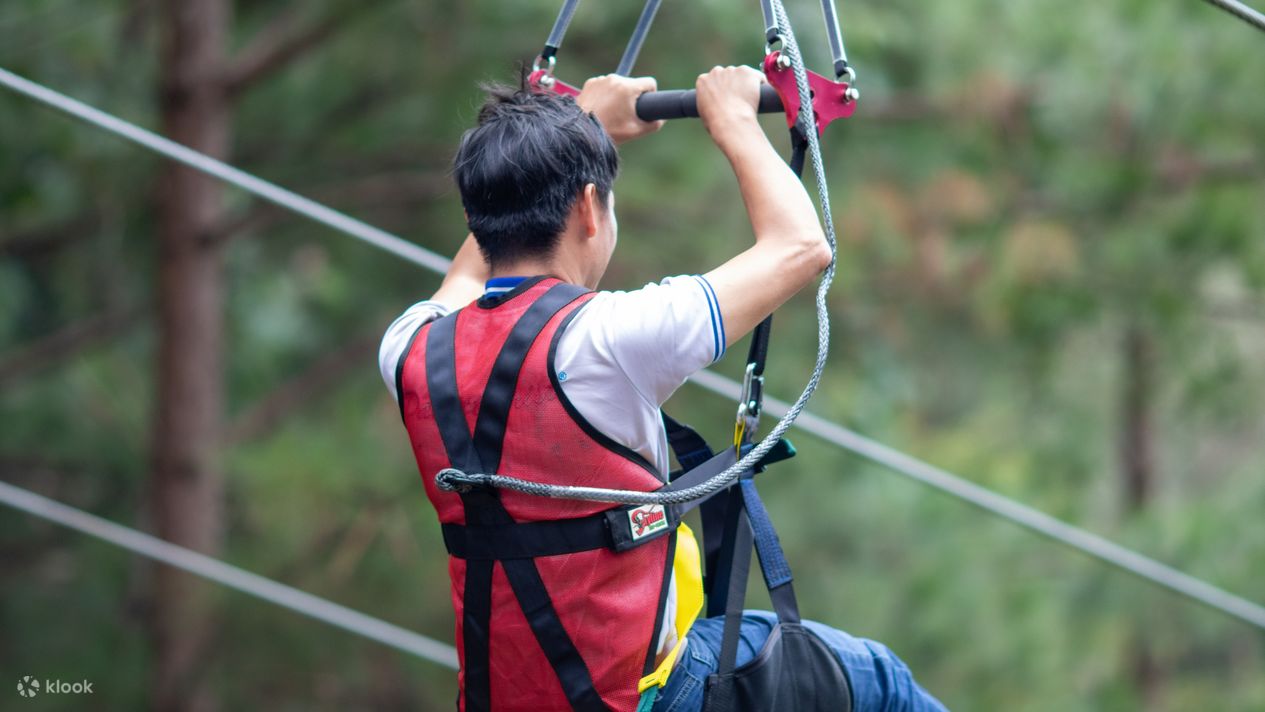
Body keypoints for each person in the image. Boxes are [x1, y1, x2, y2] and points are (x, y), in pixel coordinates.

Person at [379, 68, 946, 711]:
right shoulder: (608, 340)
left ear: (473, 216)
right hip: (646, 698)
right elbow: (801, 246)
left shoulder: (410, 351)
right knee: (879, 681)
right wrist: (730, 115)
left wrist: (585, 128)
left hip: (503, 699)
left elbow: (464, 275)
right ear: (589, 209)